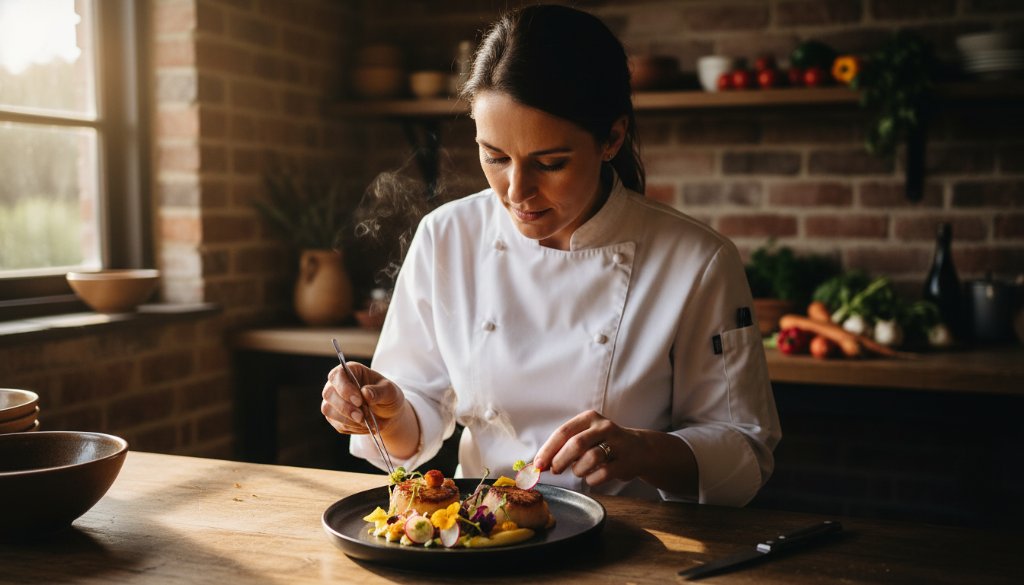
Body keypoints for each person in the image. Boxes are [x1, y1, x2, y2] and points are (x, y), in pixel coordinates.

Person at [321, 4, 780, 506]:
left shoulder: (697, 262)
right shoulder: (447, 236)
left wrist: (643, 451)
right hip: (484, 531)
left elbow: (743, 451)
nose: (517, 191)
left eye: (551, 163)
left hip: (634, 547)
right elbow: (415, 422)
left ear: (612, 138)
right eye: (494, 157)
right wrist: (384, 410)